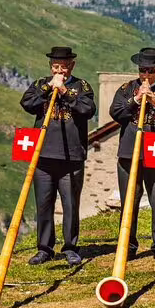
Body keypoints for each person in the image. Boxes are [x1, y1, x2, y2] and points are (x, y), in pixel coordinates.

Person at [109, 47, 155, 265]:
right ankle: (128, 245)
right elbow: (116, 113)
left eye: (150, 71)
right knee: (128, 200)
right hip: (129, 148)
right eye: (143, 70)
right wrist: (135, 100)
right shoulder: (126, 88)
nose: (146, 75)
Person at [20, 47, 96, 266]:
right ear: (50, 66)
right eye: (55, 66)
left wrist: (64, 91)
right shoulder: (40, 84)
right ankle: (45, 248)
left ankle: (71, 248)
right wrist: (47, 89)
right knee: (44, 204)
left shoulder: (81, 86)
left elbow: (87, 110)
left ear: (72, 65)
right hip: (43, 155)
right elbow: (27, 103)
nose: (59, 70)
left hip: (71, 157)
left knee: (70, 204)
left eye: (63, 66)